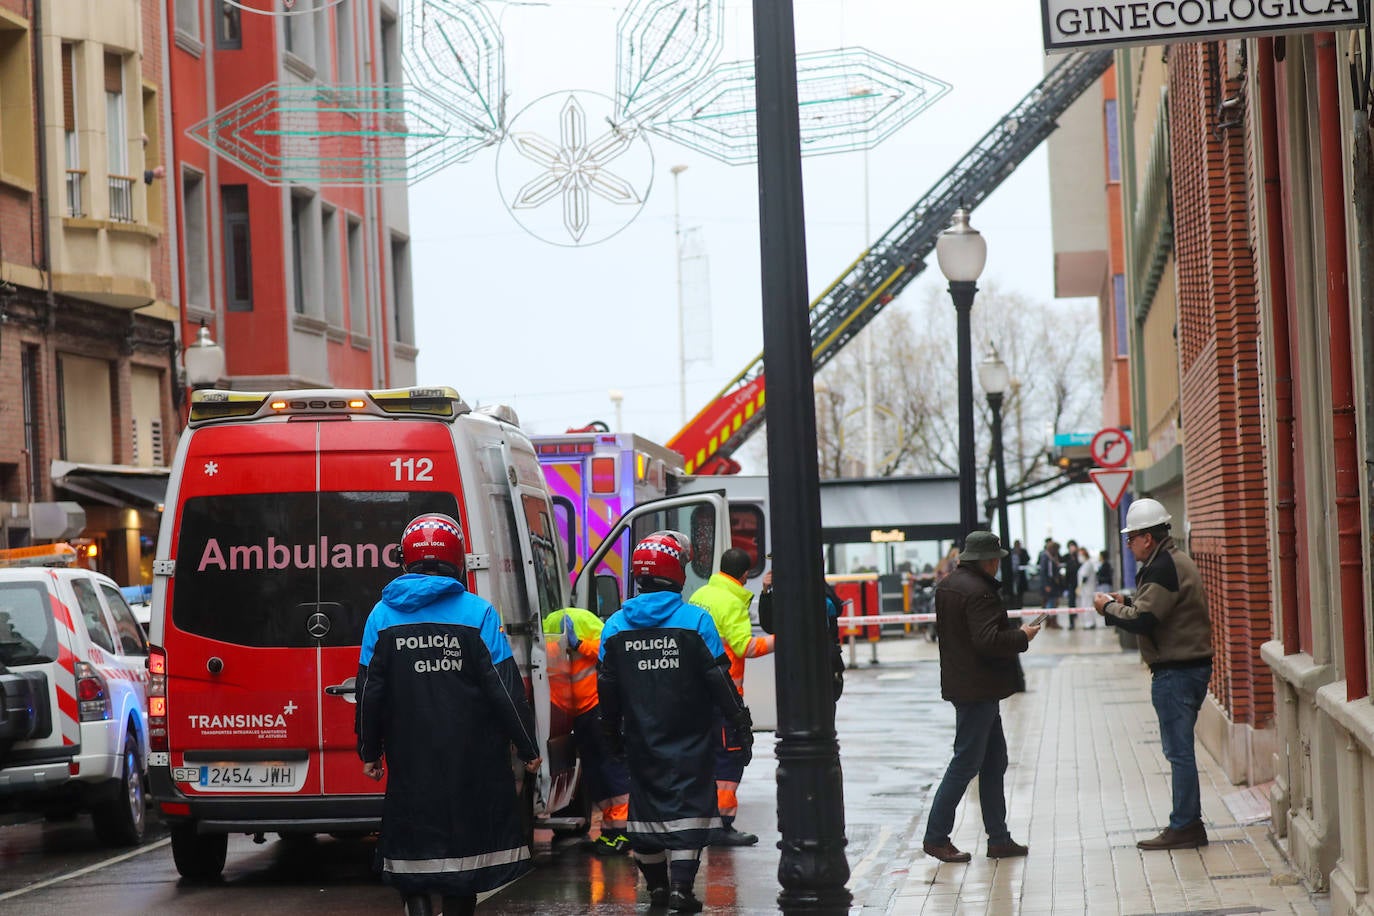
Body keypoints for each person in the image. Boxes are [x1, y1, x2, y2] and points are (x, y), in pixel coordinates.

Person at [357, 513, 542, 916]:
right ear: (456, 559)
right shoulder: (478, 614)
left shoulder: (381, 617)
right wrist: (528, 748)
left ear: (405, 559)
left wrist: (369, 750)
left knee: (411, 847)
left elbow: (370, 692)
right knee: (466, 854)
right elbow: (504, 689)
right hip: (471, 759)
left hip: (410, 758)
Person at [598, 531, 754, 913]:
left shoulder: (615, 626)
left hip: (641, 738)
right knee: (691, 808)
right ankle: (682, 889)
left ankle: (656, 891)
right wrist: (740, 725)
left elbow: (608, 693)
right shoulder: (695, 621)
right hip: (690, 737)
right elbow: (720, 680)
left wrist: (611, 738)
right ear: (676, 572)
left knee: (645, 810)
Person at [1093, 498, 1214, 851]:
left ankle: (1186, 825)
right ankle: (1187, 822)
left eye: (1131, 539)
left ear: (1148, 537)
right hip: (1185, 667)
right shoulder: (1170, 562)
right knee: (1179, 750)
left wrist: (1108, 608)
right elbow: (1153, 606)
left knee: (1179, 752)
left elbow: (1146, 620)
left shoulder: (1163, 567)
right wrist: (1126, 600)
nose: (1129, 546)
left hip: (1177, 671)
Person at [922, 531, 1040, 863]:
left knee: (993, 761)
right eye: (997, 559)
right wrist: (1022, 635)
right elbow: (987, 640)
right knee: (966, 763)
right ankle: (936, 836)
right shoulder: (980, 592)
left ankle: (999, 838)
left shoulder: (949, 585)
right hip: (979, 689)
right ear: (988, 560)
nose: (998, 564)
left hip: (966, 684)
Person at [687, 548, 774, 847]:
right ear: (745, 575)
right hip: (725, 695)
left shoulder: (702, 595)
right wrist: (782, 638)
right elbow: (745, 647)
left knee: (707, 758)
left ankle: (706, 819)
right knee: (729, 759)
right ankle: (722, 825)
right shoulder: (732, 602)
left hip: (698, 695)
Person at [543, 606, 631, 856]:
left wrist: (579, 643)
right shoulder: (555, 645)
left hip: (596, 709)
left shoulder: (592, 642)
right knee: (595, 771)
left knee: (610, 768)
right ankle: (611, 830)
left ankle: (621, 832)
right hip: (580, 715)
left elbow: (608, 654)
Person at [756, 563, 845, 699]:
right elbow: (769, 626)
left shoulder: (817, 594)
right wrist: (766, 592)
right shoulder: (784, 592)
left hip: (816, 668)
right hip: (797, 670)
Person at [1037, 539, 1060, 624]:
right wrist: (1046, 585)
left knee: (1053, 602)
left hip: (1053, 583)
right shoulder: (1045, 557)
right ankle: (1048, 621)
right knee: (1048, 603)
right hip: (1048, 584)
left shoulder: (1054, 557)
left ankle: (1052, 621)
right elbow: (1043, 572)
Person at [1075, 547, 1098, 629]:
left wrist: (1079, 587)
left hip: (1087, 590)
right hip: (1085, 590)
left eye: (1080, 555)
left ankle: (1090, 623)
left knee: (1087, 606)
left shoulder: (1088, 564)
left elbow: (1084, 578)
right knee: (1086, 605)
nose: (1079, 557)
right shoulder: (1085, 564)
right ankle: (1088, 622)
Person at [1061, 539, 1081, 629]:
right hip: (1070, 583)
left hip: (1079, 583)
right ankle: (1071, 622)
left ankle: (1078, 617)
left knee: (1080, 601)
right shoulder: (1066, 557)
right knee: (1071, 602)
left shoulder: (1078, 557)